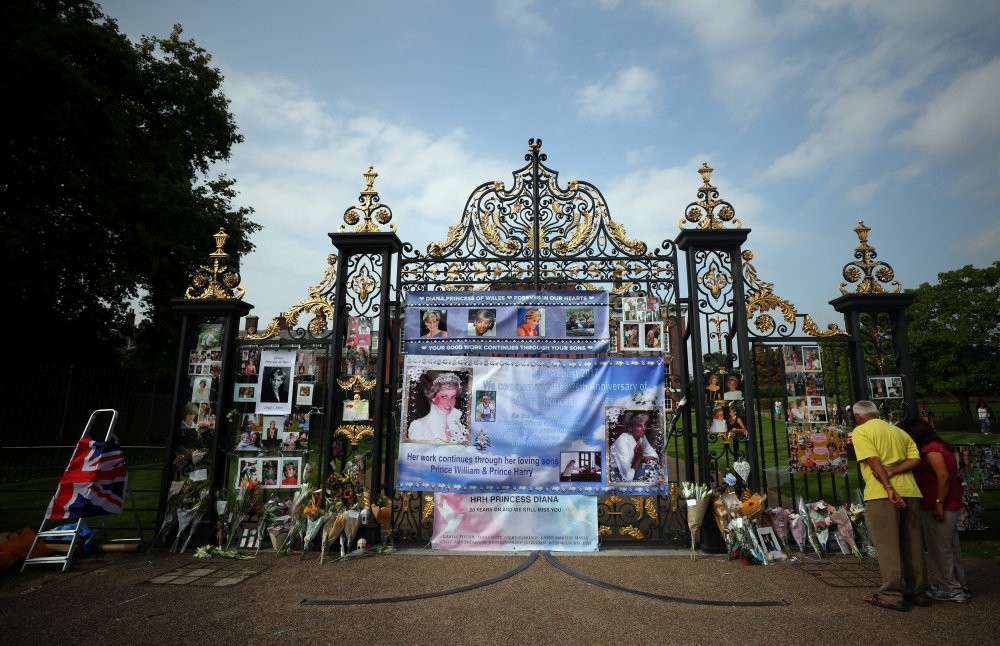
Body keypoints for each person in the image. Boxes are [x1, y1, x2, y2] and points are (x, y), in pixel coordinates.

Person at [851, 400, 928, 611]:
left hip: (882, 494)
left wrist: (888, 486)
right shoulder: (899, 432)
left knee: (888, 546)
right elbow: (915, 459)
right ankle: (917, 591)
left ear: (858, 417)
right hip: (911, 491)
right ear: (876, 413)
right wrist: (895, 470)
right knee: (912, 543)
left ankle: (891, 594)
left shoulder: (861, 431)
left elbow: (873, 460)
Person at [902, 418, 969, 603]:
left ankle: (950, 587)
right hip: (946, 503)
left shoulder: (931, 450)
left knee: (939, 547)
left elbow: (943, 476)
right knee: (949, 545)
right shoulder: (938, 446)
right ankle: (957, 584)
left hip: (938, 504)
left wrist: (939, 503)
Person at [407, 372, 467, 443]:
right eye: (444, 397)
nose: (449, 402)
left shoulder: (457, 423)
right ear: (433, 397)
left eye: (453, 397)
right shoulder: (419, 425)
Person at [610, 412, 660, 482]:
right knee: (650, 471)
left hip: (632, 469)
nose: (644, 428)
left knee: (654, 467)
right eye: (639, 425)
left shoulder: (642, 437)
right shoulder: (622, 441)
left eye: (644, 425)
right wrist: (638, 458)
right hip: (616, 473)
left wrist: (642, 458)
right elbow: (628, 477)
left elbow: (655, 456)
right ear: (630, 428)